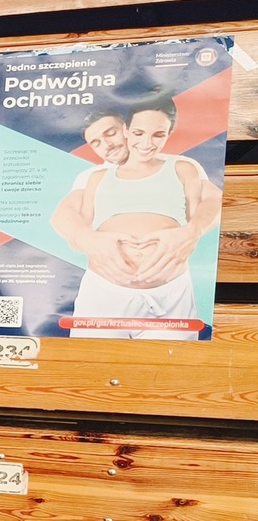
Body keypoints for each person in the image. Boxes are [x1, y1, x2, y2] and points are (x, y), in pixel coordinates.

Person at [53, 97, 222, 340]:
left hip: (170, 293)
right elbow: (64, 214)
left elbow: (214, 200)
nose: (107, 145)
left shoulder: (181, 165)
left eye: (110, 133)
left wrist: (192, 231)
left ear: (123, 128)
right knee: (92, 360)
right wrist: (85, 239)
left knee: (170, 362)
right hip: (104, 291)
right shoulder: (93, 176)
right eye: (96, 142)